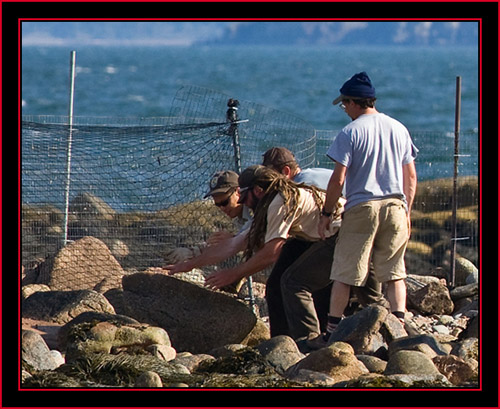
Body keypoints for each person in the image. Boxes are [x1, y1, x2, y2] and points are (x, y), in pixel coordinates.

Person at [318, 71, 418, 343]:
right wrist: (406, 211)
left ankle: (331, 333)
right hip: (396, 204)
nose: (344, 109)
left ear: (353, 102)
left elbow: (338, 179)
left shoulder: (350, 132)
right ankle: (399, 332)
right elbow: (410, 176)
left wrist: (326, 214)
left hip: (363, 206)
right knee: (395, 272)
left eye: (344, 104)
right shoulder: (399, 128)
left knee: (345, 273)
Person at [201, 165, 345, 344]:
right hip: (330, 234)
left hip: (343, 233)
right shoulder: (272, 202)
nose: (243, 203)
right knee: (281, 284)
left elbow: (271, 252)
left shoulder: (279, 201)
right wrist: (188, 263)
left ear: (258, 190)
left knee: (293, 283)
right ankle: (285, 342)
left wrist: (234, 274)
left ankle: (309, 343)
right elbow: (243, 243)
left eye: (242, 198)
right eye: (217, 204)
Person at [262, 146, 387, 343]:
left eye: (271, 180)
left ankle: (312, 341)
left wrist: (326, 216)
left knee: (297, 281)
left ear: (286, 172)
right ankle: (399, 333)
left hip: (350, 226)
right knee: (369, 296)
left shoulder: (299, 185)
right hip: (371, 220)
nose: (271, 187)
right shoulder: (313, 174)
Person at [164, 170, 252, 264]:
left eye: (225, 202)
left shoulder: (252, 210)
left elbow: (262, 241)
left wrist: (232, 240)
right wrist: (194, 252)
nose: (222, 208)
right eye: (217, 205)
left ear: (238, 192)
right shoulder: (239, 215)